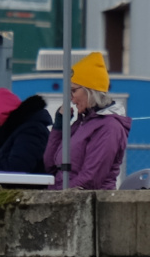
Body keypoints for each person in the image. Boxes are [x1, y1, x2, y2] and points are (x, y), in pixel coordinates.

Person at [43, 52, 130, 190]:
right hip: (63, 196)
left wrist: (59, 195)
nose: (71, 98)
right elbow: (50, 164)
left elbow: (91, 178)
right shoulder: (81, 123)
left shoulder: (109, 127)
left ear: (90, 91)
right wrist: (59, 127)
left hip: (86, 203)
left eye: (73, 91)